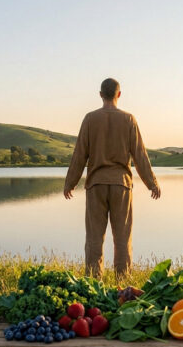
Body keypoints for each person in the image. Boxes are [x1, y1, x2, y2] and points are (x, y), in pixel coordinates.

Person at [64, 78, 161, 279]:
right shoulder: (129, 120)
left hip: (96, 185)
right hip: (121, 186)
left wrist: (70, 183)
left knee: (94, 239)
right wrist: (152, 183)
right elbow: (140, 155)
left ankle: (93, 285)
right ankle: (123, 288)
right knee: (122, 239)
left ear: (100, 94)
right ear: (119, 94)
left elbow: (79, 155)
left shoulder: (90, 119)